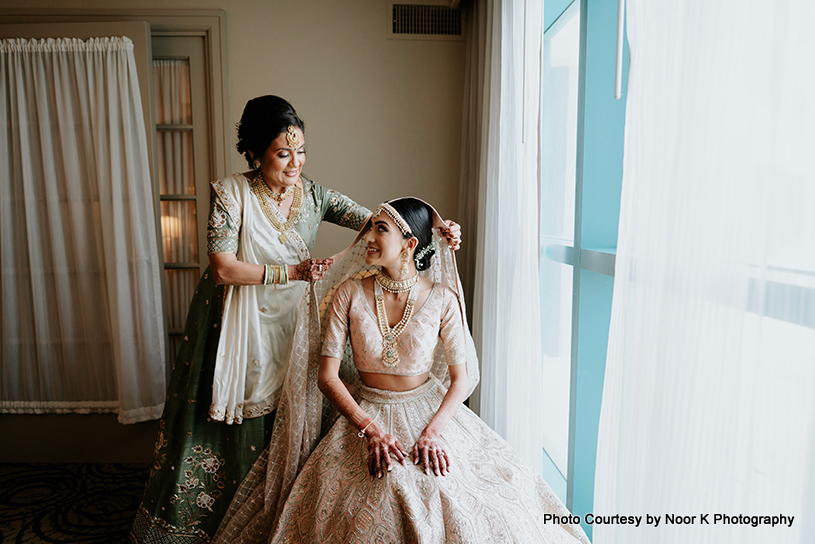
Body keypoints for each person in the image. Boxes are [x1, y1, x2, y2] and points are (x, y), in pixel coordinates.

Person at [131, 97, 461, 544]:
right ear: (255, 152)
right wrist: (292, 272)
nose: (295, 162)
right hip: (236, 321)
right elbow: (224, 268)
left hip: (296, 321)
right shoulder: (230, 194)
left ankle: (276, 516)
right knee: (229, 419)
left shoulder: (314, 194)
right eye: (283, 153)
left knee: (295, 411)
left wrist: (436, 229)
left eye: (301, 151)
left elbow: (382, 222)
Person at [213, 198, 588, 544]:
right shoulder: (349, 292)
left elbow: (463, 378)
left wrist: (434, 433)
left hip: (429, 413)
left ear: (410, 244)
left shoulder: (442, 298)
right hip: (366, 414)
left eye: (381, 229)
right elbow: (327, 377)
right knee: (382, 488)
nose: (369, 237)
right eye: (372, 227)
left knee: (457, 499)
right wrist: (370, 429)